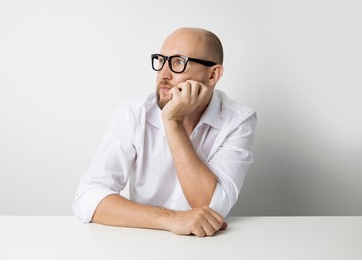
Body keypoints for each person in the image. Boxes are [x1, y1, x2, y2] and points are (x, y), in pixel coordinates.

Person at [73, 27, 256, 237]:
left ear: (212, 75)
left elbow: (212, 207)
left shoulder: (238, 120)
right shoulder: (133, 114)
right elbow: (86, 198)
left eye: (178, 62)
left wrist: (173, 122)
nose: (163, 74)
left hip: (205, 248)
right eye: (161, 60)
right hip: (141, 241)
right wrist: (171, 219)